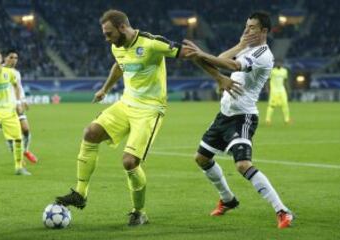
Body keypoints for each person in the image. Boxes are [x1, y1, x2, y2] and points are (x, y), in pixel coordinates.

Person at [55, 9, 221, 226]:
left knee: (130, 162)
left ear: (123, 27)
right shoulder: (118, 46)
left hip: (150, 110)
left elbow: (191, 53)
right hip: (126, 103)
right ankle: (80, 193)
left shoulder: (152, 43)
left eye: (109, 34)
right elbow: (119, 65)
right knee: (91, 132)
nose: (107, 39)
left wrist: (220, 78)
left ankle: (138, 211)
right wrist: (105, 89)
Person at [184, 12, 294, 229]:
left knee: (243, 164)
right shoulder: (246, 47)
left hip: (243, 116)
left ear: (264, 31)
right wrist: (238, 45)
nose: (247, 30)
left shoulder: (263, 54)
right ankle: (228, 199)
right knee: (201, 158)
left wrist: (202, 54)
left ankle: (283, 211)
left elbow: (231, 66)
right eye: (246, 26)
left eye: (252, 27)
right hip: (224, 114)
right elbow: (223, 57)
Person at [0, 48, 30, 175]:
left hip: (9, 111)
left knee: (18, 138)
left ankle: (19, 167)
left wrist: (18, 102)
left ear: (1, 59)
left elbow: (17, 86)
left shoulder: (10, 73)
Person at [3, 49, 38, 163]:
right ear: (5, 58)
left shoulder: (16, 73)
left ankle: (26, 151)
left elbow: (19, 88)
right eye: (11, 57)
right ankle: (17, 156)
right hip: (3, 108)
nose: (14, 60)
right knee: (10, 134)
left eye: (16, 58)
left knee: (26, 129)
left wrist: (22, 101)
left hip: (16, 105)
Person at [265, 59, 291, 125]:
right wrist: (267, 89)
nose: (278, 64)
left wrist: (288, 89)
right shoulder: (272, 71)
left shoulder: (284, 71)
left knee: (285, 105)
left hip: (282, 90)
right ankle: (268, 120)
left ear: (282, 64)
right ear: (275, 64)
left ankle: (287, 120)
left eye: (280, 63)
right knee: (271, 105)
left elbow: (285, 81)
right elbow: (267, 81)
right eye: (277, 63)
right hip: (274, 91)